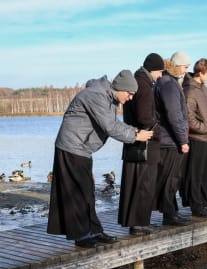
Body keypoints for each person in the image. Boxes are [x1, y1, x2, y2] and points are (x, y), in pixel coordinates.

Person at [47, 70, 154, 248]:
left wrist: (134, 131)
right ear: (120, 88)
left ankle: (94, 230)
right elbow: (110, 127)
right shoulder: (96, 96)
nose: (130, 98)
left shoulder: (108, 98)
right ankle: (81, 236)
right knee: (77, 192)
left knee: (87, 190)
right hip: (71, 147)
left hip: (82, 149)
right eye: (129, 93)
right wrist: (135, 137)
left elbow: (114, 123)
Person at [118, 53, 164, 236]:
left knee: (133, 183)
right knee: (144, 183)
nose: (160, 76)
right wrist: (159, 129)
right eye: (159, 72)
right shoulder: (144, 86)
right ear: (153, 69)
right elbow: (145, 118)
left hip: (133, 140)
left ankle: (134, 222)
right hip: (145, 142)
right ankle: (140, 223)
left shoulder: (135, 83)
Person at [153, 51, 192, 226]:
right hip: (170, 140)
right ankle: (169, 215)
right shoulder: (169, 84)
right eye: (185, 66)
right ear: (176, 65)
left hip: (167, 139)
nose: (186, 70)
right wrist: (183, 140)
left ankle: (171, 211)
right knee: (171, 178)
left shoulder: (166, 81)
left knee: (169, 177)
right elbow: (174, 115)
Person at [180, 58, 207, 217]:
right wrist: (205, 129)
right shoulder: (189, 90)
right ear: (200, 73)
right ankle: (196, 205)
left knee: (206, 172)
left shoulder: (203, 89)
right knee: (195, 174)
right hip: (197, 139)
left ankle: (204, 201)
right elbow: (189, 118)